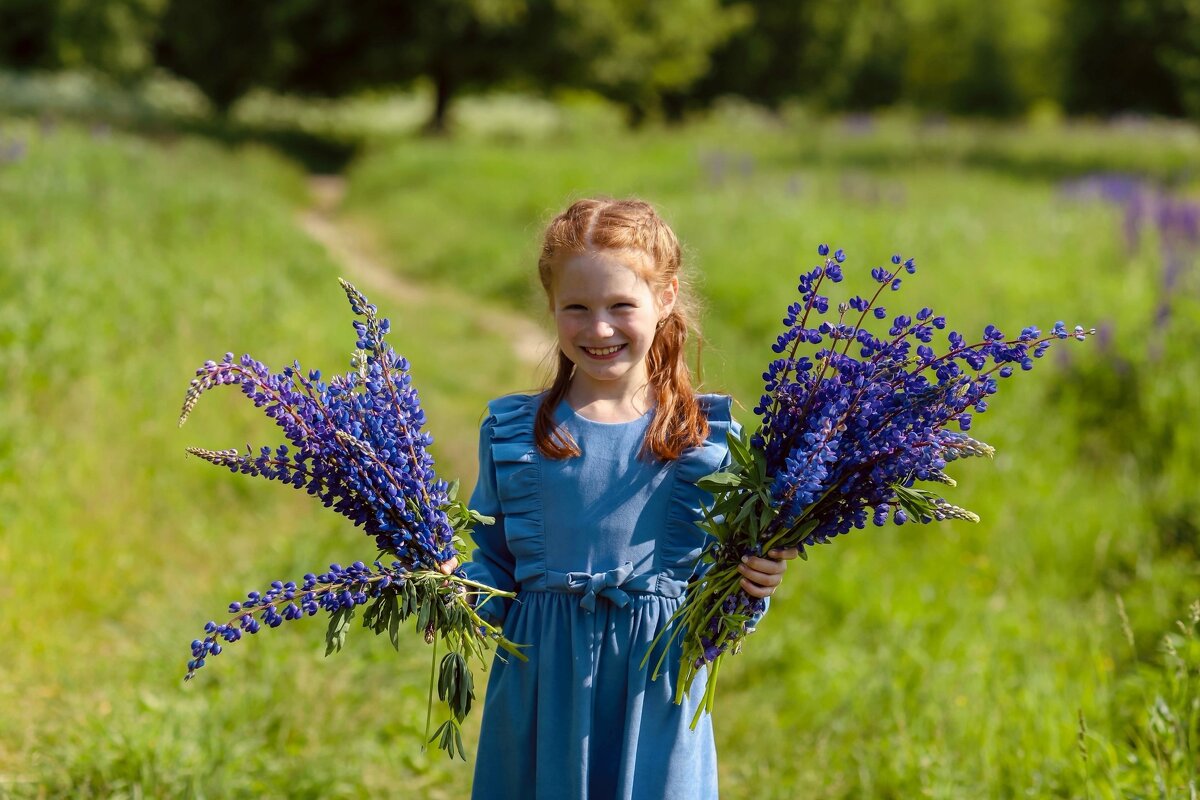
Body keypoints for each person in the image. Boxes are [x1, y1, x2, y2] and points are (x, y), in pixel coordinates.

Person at [445, 198, 797, 799]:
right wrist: (457, 589)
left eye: (621, 306)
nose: (599, 328)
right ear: (551, 306)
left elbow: (717, 598)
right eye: (576, 308)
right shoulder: (515, 433)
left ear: (665, 298)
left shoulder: (706, 442)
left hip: (655, 691)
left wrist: (753, 585)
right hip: (541, 691)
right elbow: (494, 563)